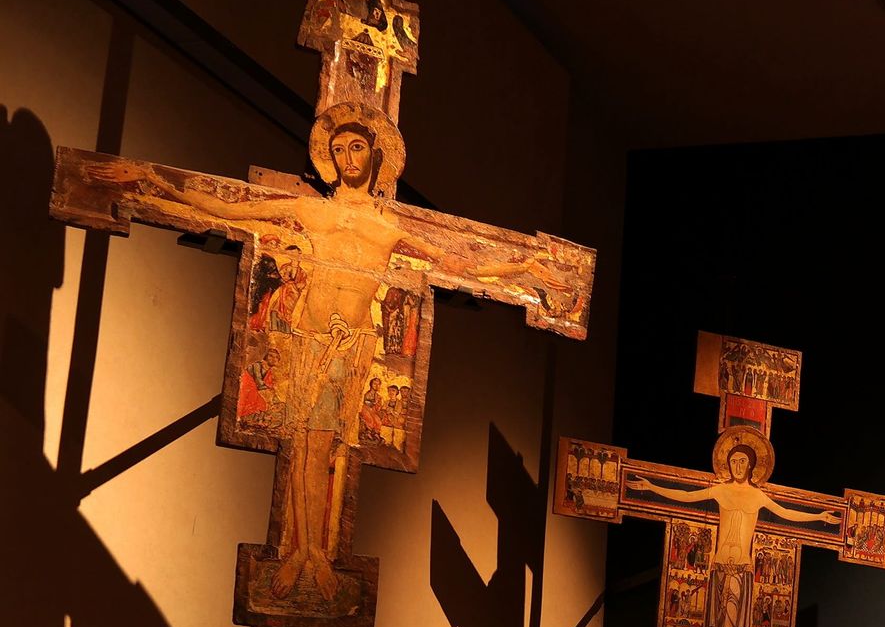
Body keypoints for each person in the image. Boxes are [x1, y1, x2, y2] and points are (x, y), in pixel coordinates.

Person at [99, 111, 578, 601]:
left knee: (324, 451)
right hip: (307, 344)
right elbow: (229, 212)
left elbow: (463, 263)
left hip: (348, 351)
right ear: (329, 158)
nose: (348, 158)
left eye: (357, 148)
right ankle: (304, 554)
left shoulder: (388, 229)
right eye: (339, 150)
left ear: (376, 155)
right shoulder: (313, 212)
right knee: (303, 448)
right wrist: (152, 181)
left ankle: (314, 556)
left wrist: (530, 266)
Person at [626, 438, 837, 627]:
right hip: (720, 570)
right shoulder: (721, 490)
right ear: (727, 464)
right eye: (733, 461)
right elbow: (686, 496)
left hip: (741, 573)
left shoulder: (758, 496)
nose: (737, 466)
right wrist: (652, 487)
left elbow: (787, 513)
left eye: (742, 461)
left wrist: (819, 516)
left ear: (752, 465)